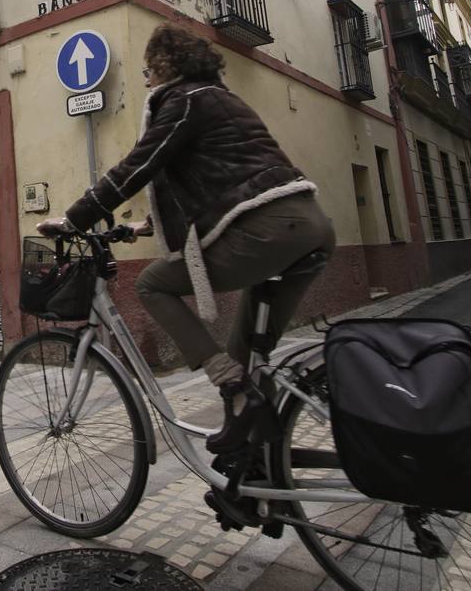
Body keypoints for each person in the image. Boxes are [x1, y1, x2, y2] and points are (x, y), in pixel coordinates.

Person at [37, 23, 335, 451]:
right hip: (311, 228)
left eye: (147, 70)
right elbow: (222, 177)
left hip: (268, 230)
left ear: (164, 64)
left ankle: (231, 391)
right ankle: (260, 467)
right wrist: (148, 226)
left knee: (151, 283)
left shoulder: (185, 101)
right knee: (248, 356)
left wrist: (73, 220)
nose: (146, 79)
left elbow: (140, 165)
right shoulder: (225, 100)